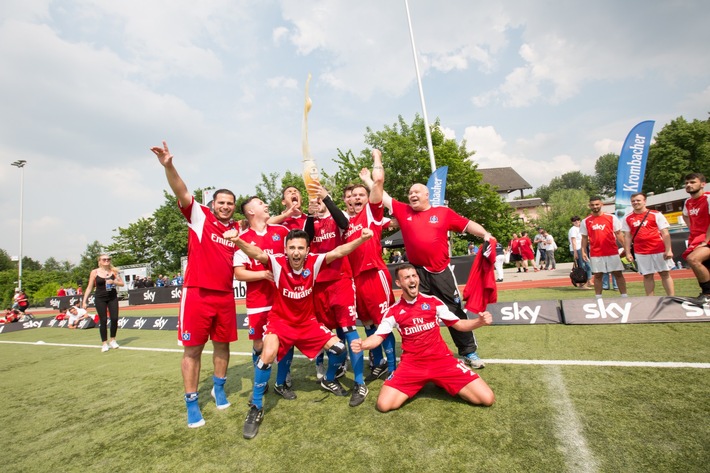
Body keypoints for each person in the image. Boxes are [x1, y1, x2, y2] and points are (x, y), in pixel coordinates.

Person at [224, 227, 375, 439]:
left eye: (300, 248)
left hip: (307, 323)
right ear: (285, 249)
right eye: (292, 248)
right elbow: (256, 253)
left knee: (340, 349)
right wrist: (238, 240)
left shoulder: (315, 261)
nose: (296, 252)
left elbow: (340, 251)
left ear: (307, 250)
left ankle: (329, 378)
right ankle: (256, 406)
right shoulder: (276, 262)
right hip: (280, 322)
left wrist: (362, 238)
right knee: (267, 355)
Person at [150, 140, 239, 429]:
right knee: (193, 350)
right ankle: (191, 403)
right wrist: (169, 166)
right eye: (221, 202)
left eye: (229, 203)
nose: (225, 207)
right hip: (197, 294)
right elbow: (182, 191)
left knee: (223, 347)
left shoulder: (237, 229)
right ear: (213, 204)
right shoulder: (200, 216)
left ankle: (219, 387)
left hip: (225, 295)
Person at [381, 179, 492, 369]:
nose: (412, 195)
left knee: (455, 312)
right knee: (415, 312)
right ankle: (420, 353)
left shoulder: (443, 213)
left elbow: (467, 224)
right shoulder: (403, 210)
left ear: (427, 195)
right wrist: (370, 179)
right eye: (410, 193)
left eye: (417, 192)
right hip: (417, 274)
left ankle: (468, 352)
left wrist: (485, 234)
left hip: (441, 273)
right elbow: (383, 196)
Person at [351, 264, 495, 412]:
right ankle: (420, 383)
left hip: (442, 361)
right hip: (412, 365)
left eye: (414, 276)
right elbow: (378, 337)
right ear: (399, 283)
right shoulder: (393, 311)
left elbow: (459, 324)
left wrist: (479, 322)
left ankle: (442, 381)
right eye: (407, 277)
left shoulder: (433, 301)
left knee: (486, 398)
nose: (412, 280)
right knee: (384, 405)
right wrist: (363, 344)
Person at [306, 182, 368, 407]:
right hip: (318, 286)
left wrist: (327, 198)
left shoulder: (337, 216)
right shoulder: (312, 220)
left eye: (320, 199)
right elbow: (304, 238)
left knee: (350, 330)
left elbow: (344, 223)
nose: (318, 202)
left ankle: (360, 382)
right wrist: (310, 214)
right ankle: (327, 374)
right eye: (315, 200)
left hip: (341, 281)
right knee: (324, 333)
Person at [343, 150, 397, 380]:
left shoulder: (371, 213)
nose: (355, 198)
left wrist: (377, 159)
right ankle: (379, 361)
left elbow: (379, 182)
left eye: (360, 195)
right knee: (366, 322)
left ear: (367, 198)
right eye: (351, 196)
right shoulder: (346, 223)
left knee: (383, 322)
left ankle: (394, 369)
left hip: (374, 274)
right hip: (355, 280)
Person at [233, 196, 294, 401]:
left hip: (283, 300)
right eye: (261, 203)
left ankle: (282, 382)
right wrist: (262, 274)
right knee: (259, 345)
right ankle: (262, 381)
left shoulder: (282, 232)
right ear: (250, 212)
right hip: (257, 302)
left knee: (285, 341)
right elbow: (238, 274)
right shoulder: (242, 238)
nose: (266, 205)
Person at [621, 193, 674, 296]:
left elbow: (665, 233)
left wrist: (668, 250)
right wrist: (628, 253)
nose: (635, 203)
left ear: (644, 201)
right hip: (641, 252)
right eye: (633, 201)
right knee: (647, 276)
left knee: (665, 274)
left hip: (658, 249)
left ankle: (671, 298)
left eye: (638, 200)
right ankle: (650, 301)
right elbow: (627, 237)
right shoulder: (627, 218)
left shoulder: (656, 214)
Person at [580, 196, 628, 298]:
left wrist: (626, 249)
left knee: (618, 274)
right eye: (592, 205)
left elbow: (619, 234)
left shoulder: (611, 217)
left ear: (601, 204)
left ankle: (624, 296)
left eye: (597, 204)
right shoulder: (586, 221)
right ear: (589, 206)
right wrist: (583, 251)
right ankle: (598, 298)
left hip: (612, 251)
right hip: (596, 253)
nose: (595, 206)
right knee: (598, 275)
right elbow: (584, 238)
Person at [82, 254, 124, 351]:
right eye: (104, 259)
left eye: (108, 259)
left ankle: (112, 340)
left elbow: (122, 284)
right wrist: (84, 301)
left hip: (112, 297)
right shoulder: (94, 272)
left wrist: (114, 282)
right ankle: (104, 343)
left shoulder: (114, 272)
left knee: (114, 318)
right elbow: (89, 287)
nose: (107, 261)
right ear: (99, 261)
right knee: (103, 320)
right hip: (100, 298)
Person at [681, 173, 710, 304]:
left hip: (706, 238)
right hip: (697, 238)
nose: (688, 185)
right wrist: (692, 229)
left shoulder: (708, 198)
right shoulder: (687, 202)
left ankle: (707, 294)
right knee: (702, 265)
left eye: (693, 182)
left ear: (702, 184)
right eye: (687, 183)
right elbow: (685, 215)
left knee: (693, 259)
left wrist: (705, 241)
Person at [568, 216, 593, 289]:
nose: (577, 222)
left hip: (583, 248)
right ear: (572, 222)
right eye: (574, 221)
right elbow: (573, 241)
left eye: (578, 220)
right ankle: (582, 284)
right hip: (577, 248)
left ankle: (589, 280)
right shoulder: (573, 229)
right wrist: (575, 252)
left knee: (588, 265)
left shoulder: (581, 228)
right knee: (581, 267)